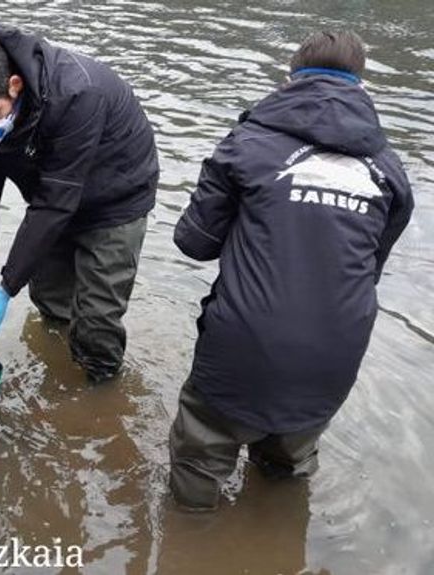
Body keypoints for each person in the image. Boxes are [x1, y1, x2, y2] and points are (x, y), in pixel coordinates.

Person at [168, 30, 414, 511]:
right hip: (335, 353)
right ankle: (281, 546)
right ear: (362, 87)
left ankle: (188, 540)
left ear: (290, 79)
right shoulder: (390, 170)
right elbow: (369, 268)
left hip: (243, 347)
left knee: (199, 463)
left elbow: (193, 242)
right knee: (288, 471)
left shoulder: (245, 143)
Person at [0, 26, 159, 382]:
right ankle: (57, 359)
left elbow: (53, 204)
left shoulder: (78, 94)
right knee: (48, 294)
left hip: (115, 197)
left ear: (14, 85)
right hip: (54, 190)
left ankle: (101, 389)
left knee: (97, 319)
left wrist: (5, 288)